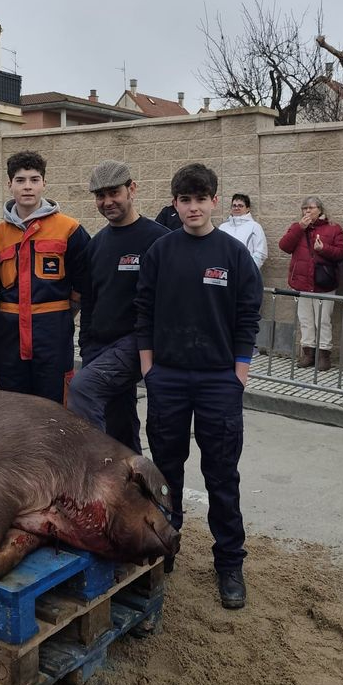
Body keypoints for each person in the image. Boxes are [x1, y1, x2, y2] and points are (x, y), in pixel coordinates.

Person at [136, 162, 262, 610]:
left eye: (200, 199)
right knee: (166, 474)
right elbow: (144, 310)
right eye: (184, 200)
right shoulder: (161, 252)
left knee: (222, 476)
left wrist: (239, 371)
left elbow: (249, 314)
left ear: (214, 200)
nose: (193, 207)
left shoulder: (233, 254)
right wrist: (149, 366)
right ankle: (166, 547)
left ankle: (229, 563)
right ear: (175, 203)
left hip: (218, 381)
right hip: (168, 378)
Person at [67, 160, 168, 453]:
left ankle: (97, 476)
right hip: (99, 346)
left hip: (136, 344)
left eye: (114, 193)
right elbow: (89, 300)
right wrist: (85, 346)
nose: (107, 202)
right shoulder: (96, 245)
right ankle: (134, 489)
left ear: (131, 189)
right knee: (119, 422)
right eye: (100, 196)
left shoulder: (158, 239)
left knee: (83, 389)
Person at [0, 151, 90, 404]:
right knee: (14, 409)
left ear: (44, 183)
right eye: (20, 180)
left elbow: (84, 280)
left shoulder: (69, 229)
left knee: (54, 408)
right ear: (9, 184)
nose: (27, 187)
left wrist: (66, 314)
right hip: (10, 341)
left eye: (34, 180)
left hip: (52, 337)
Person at [277, 196, 343, 371]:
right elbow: (284, 246)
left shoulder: (333, 228)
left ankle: (324, 355)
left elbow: (342, 252)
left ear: (320, 210)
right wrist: (299, 228)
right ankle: (308, 353)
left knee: (323, 321)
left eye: (311, 208)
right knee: (305, 320)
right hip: (302, 282)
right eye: (304, 208)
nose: (307, 211)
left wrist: (324, 249)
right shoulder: (297, 227)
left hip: (324, 283)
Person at [218, 193, 267, 269]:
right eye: (234, 205)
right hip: (225, 272)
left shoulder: (254, 227)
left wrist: (249, 270)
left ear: (247, 209)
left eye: (240, 206)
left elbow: (261, 252)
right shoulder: (223, 227)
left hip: (246, 273)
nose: (237, 208)